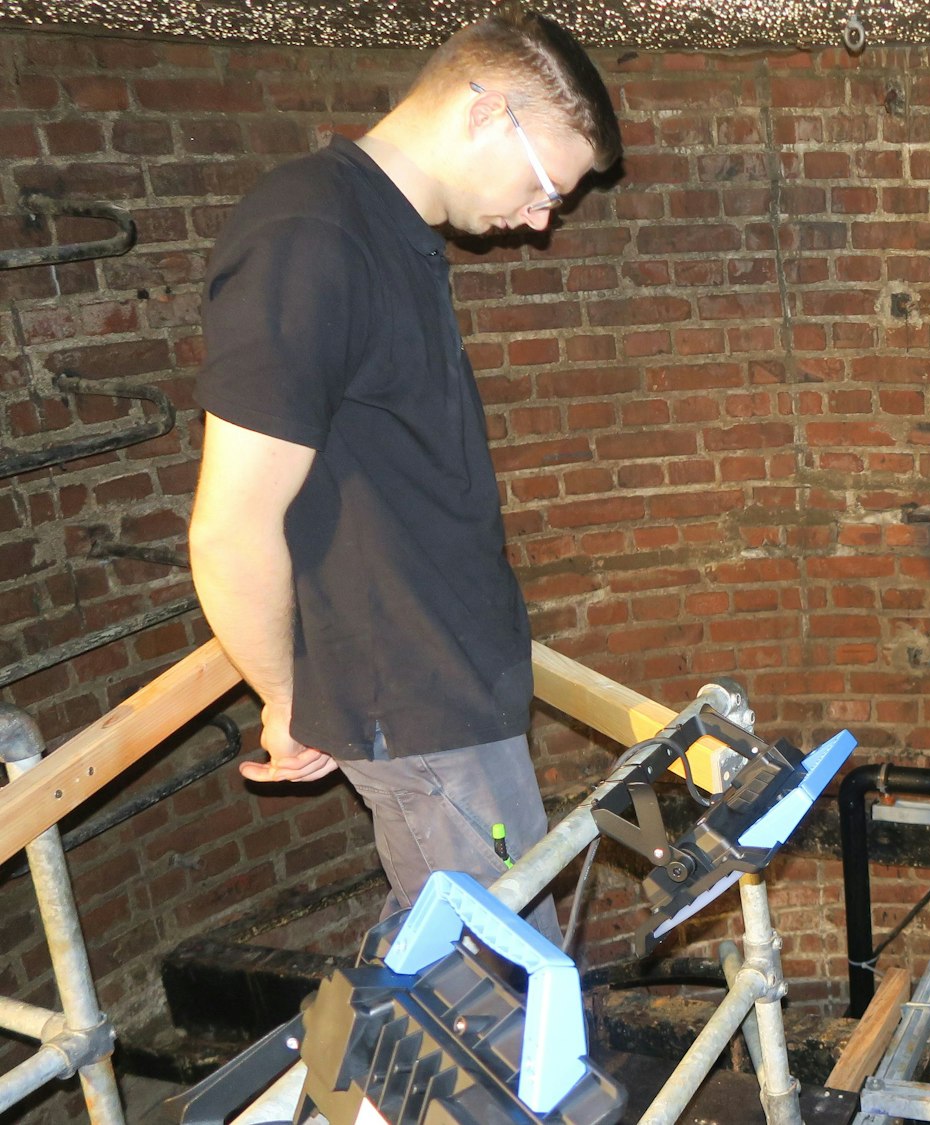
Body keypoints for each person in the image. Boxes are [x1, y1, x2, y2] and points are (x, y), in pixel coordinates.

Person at [187, 6, 620, 940]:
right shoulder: (313, 235)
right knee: (497, 996)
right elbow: (229, 526)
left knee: (463, 973)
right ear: (484, 110)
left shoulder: (389, 233)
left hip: (451, 687)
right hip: (413, 697)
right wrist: (289, 696)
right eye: (548, 183)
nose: (543, 218)